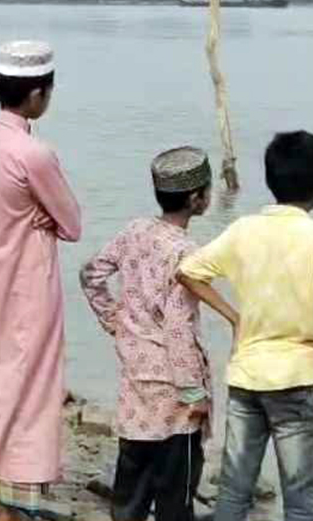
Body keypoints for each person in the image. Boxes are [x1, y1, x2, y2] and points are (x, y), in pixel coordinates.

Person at [178, 131, 313, 521]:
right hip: (299, 378)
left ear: (269, 178)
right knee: (301, 502)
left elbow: (189, 271)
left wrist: (235, 317)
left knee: (233, 494)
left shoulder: (244, 229)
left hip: (248, 377)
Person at [0, 40, 81, 521]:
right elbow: (72, 224)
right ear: (36, 95)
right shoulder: (34, 153)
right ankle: (11, 505)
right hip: (27, 286)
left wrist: (34, 216)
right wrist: (41, 219)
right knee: (30, 392)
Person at [80, 147, 214, 521]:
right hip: (174, 394)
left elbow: (91, 274)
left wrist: (116, 320)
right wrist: (194, 393)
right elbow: (178, 326)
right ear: (195, 199)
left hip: (136, 381)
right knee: (176, 497)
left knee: (130, 494)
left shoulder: (136, 230)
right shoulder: (189, 253)